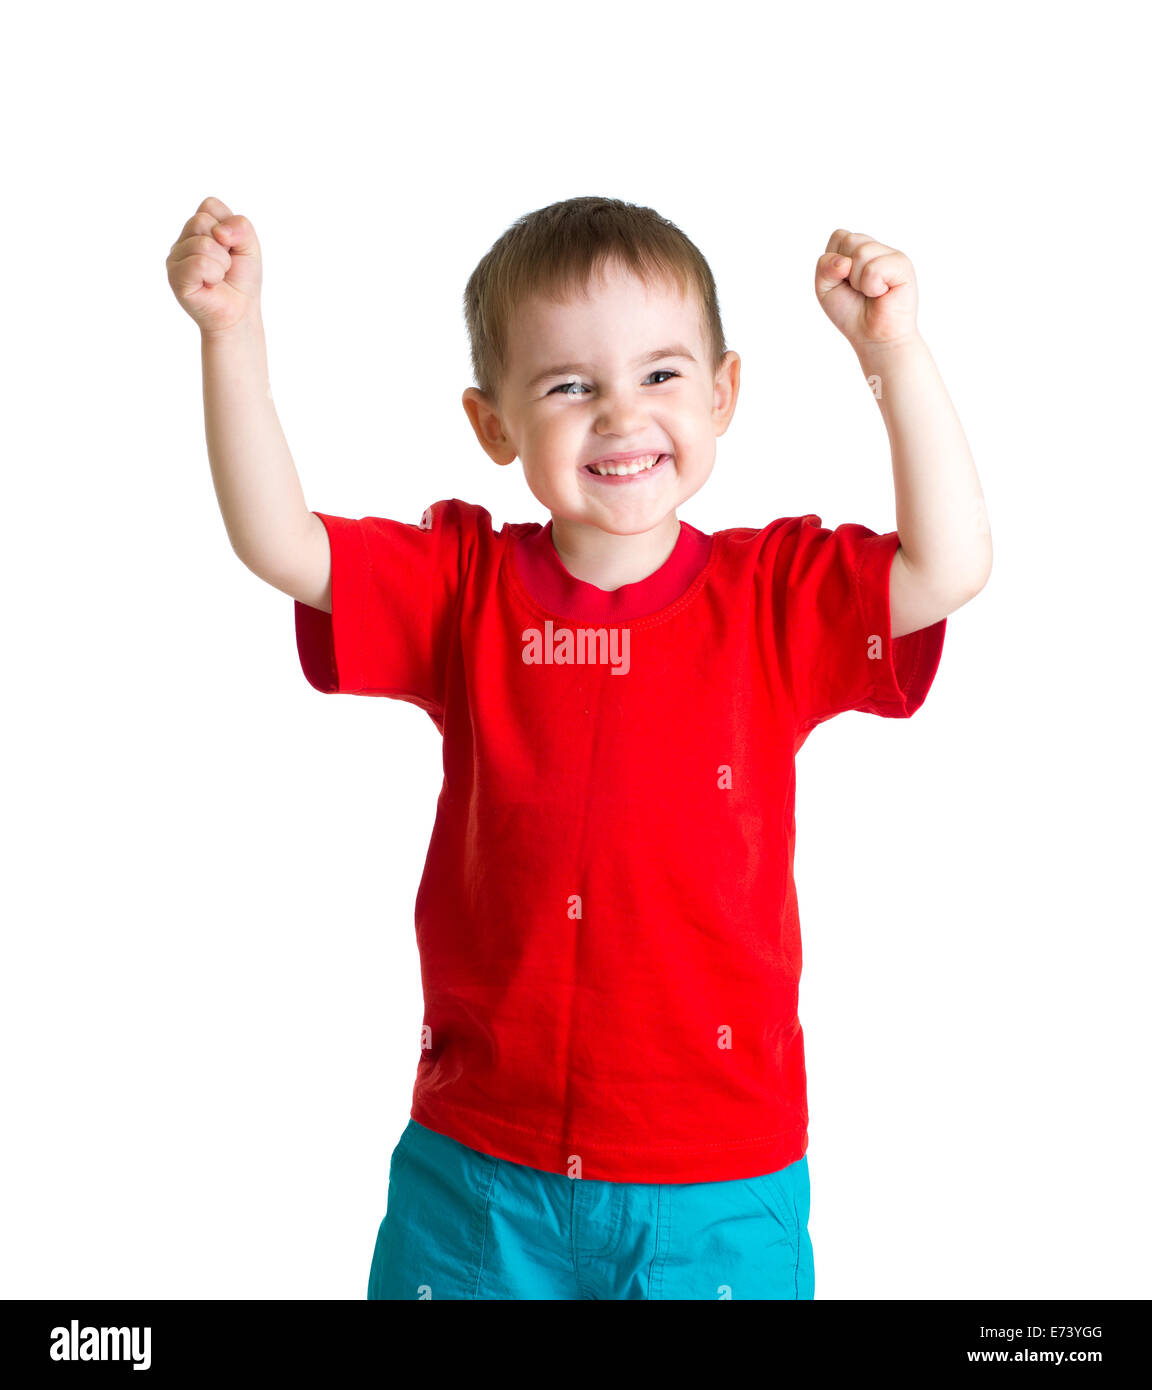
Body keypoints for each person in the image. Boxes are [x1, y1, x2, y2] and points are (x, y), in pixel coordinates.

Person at [165, 193, 992, 1300]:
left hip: (716, 1176)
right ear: (494, 423)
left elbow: (950, 565)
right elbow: (281, 542)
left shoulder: (774, 596)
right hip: (481, 1172)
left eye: (659, 374)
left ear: (723, 393)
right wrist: (231, 335)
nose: (619, 414)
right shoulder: (464, 583)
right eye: (569, 385)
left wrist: (893, 352)